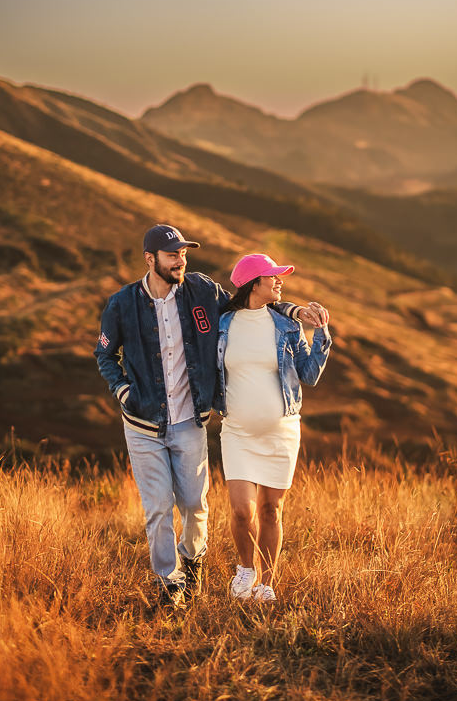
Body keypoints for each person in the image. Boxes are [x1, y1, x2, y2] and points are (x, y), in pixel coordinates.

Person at [94, 224, 328, 608]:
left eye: (183, 254)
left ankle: (193, 561)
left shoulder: (201, 291)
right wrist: (123, 391)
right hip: (143, 425)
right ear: (150, 260)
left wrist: (294, 310)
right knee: (157, 508)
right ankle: (170, 586)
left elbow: (248, 302)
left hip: (189, 421)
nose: (181, 261)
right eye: (172, 255)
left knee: (194, 506)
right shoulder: (122, 303)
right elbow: (104, 354)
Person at [215, 253, 331, 603]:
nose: (279, 282)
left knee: (270, 510)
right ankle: (245, 569)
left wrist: (321, 333)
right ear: (254, 282)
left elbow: (309, 375)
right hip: (236, 431)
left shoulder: (287, 326)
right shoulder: (224, 323)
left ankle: (266, 583)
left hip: (281, 432)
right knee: (241, 510)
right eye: (273, 277)